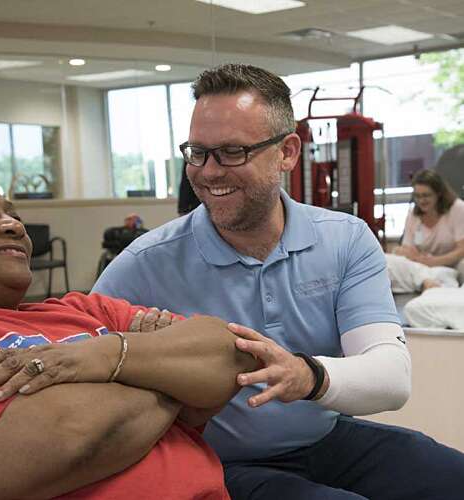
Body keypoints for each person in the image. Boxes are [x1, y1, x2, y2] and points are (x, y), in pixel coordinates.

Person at [93, 64, 464, 499]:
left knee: (450, 476)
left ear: (287, 152)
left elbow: (391, 376)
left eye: (232, 152)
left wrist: (307, 376)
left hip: (323, 438)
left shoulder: (345, 238)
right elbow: (79, 362)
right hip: (216, 461)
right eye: (198, 152)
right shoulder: (144, 263)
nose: (209, 172)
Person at [0, 172, 258, 499]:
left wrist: (106, 355)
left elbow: (231, 354)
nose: (15, 226)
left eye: (13, 214)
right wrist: (172, 378)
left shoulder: (83, 308)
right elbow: (75, 436)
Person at [391, 168, 464, 291]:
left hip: (450, 265)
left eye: (426, 195)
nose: (421, 201)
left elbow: (462, 249)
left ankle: (431, 283)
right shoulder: (413, 214)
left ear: (439, 193)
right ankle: (426, 282)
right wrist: (414, 256)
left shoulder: (457, 208)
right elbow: (407, 249)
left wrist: (434, 261)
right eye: (417, 196)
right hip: (420, 267)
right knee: (390, 259)